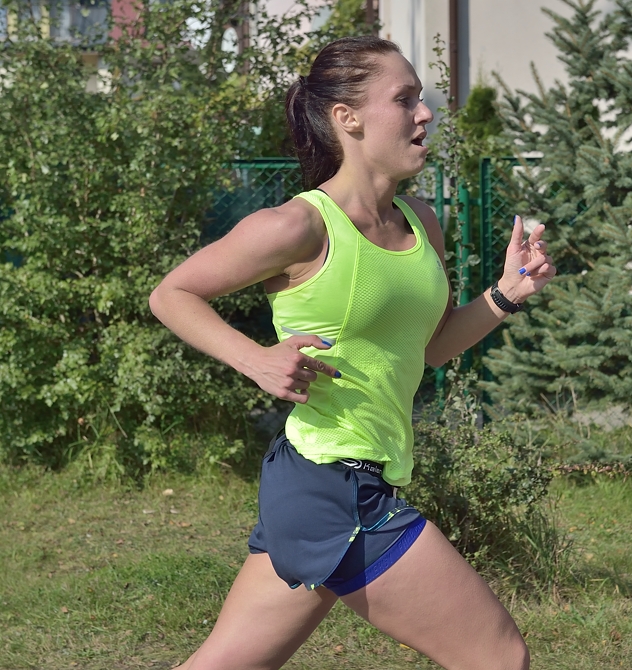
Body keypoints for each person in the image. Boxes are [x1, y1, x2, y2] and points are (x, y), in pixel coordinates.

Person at [148, 35, 555, 670]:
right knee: (497, 657)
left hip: (338, 478)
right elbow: (172, 294)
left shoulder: (420, 221)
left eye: (421, 98)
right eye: (405, 99)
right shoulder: (299, 226)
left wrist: (506, 294)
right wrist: (255, 358)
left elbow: (431, 347)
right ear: (348, 117)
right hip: (332, 483)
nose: (425, 113)